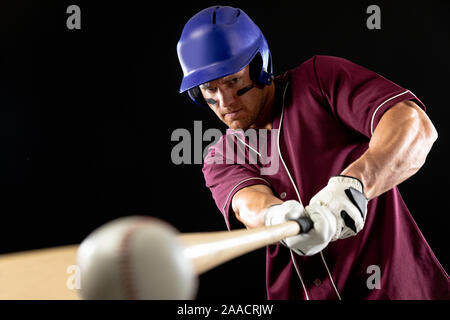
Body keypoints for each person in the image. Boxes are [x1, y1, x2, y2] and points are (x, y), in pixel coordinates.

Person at [176, 5, 450, 299]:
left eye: (233, 81)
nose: (226, 101)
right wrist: (276, 216)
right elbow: (246, 204)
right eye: (210, 88)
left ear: (260, 64)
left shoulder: (318, 80)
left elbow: (415, 125)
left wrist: (353, 187)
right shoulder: (221, 156)